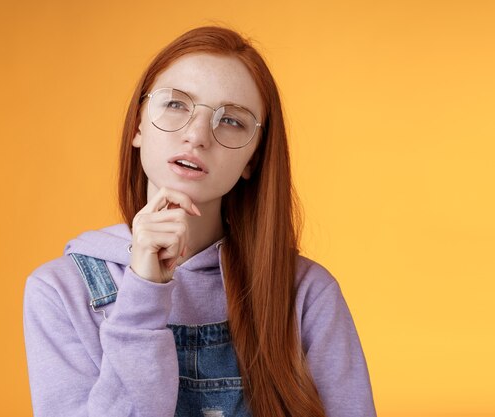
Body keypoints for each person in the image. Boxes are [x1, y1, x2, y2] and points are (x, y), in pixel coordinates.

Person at [23, 26, 376, 417]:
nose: (196, 136)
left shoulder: (307, 294)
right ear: (139, 125)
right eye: (176, 104)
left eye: (232, 121)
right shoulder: (60, 291)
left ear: (253, 161)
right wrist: (144, 293)